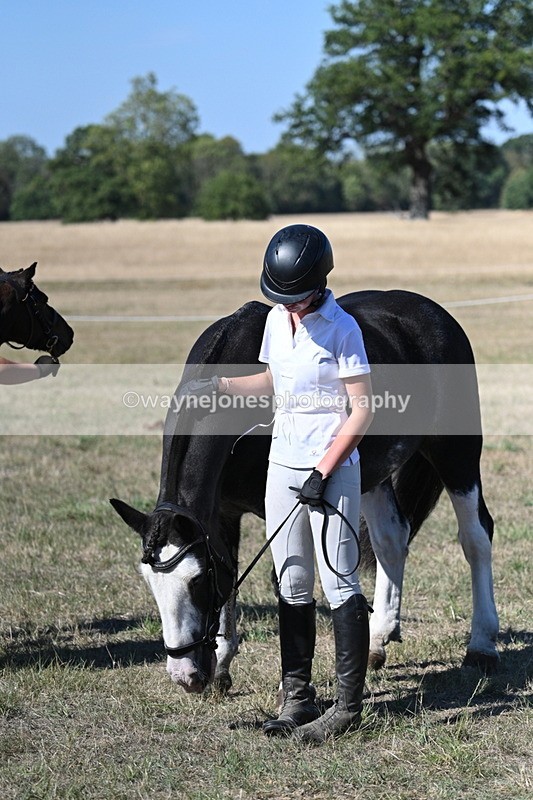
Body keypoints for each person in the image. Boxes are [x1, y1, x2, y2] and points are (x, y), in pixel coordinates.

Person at [186, 224, 374, 743]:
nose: (290, 307)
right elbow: (272, 380)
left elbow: (363, 409)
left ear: (320, 282)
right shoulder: (276, 319)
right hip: (282, 464)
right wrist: (220, 383)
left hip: (331, 470)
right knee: (291, 581)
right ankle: (297, 698)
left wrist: (323, 470)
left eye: (297, 298)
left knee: (338, 583)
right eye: (282, 299)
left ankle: (346, 708)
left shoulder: (343, 329)